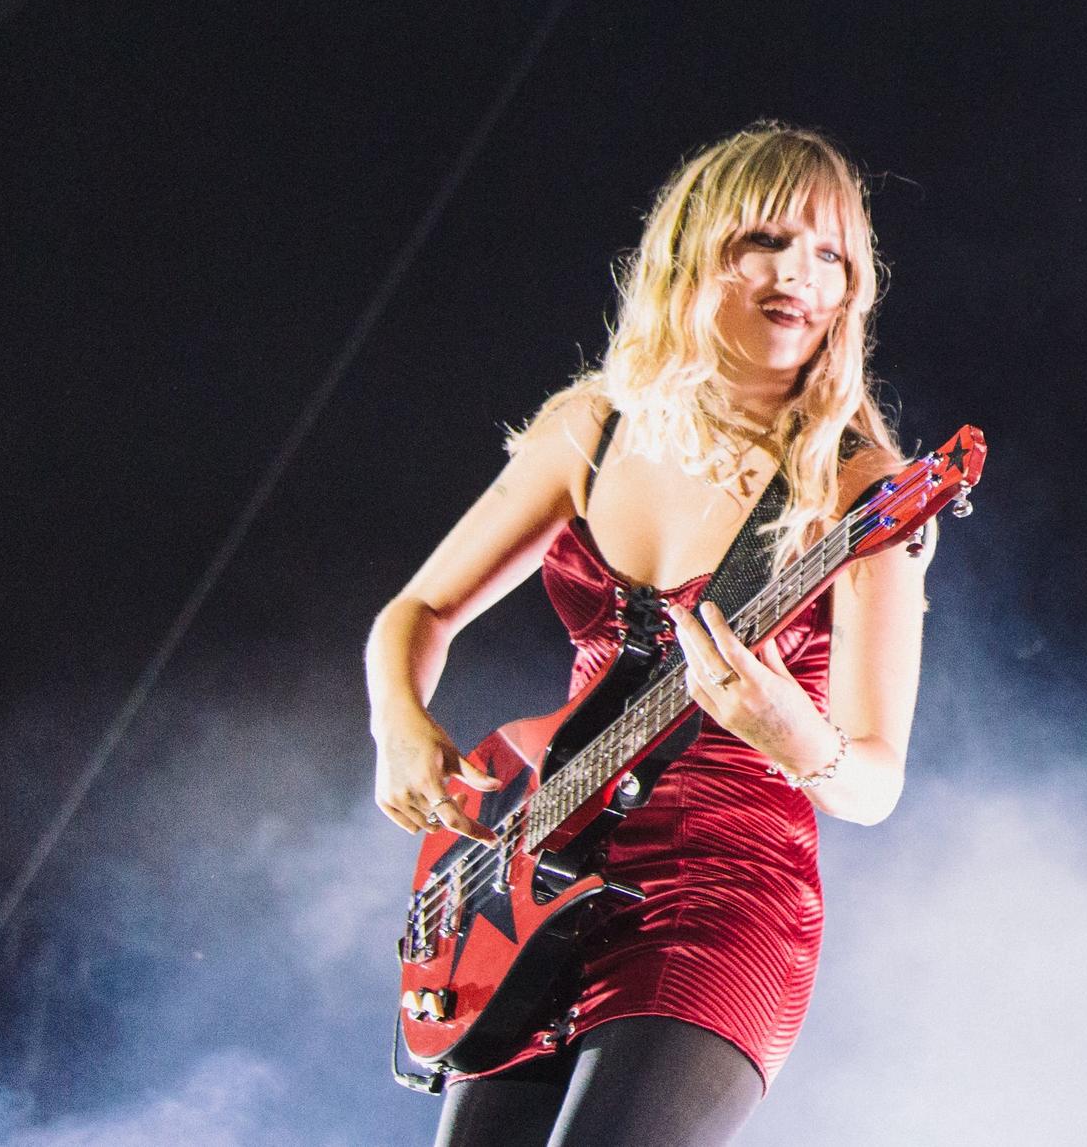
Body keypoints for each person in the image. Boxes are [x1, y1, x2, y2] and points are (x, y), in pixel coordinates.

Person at [366, 124, 931, 1146]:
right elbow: (416, 612)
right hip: (530, 879)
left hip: (722, 892)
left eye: (832, 253)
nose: (801, 274)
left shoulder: (856, 491)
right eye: (767, 238)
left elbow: (876, 782)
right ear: (692, 247)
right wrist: (399, 725)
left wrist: (788, 732)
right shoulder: (593, 426)